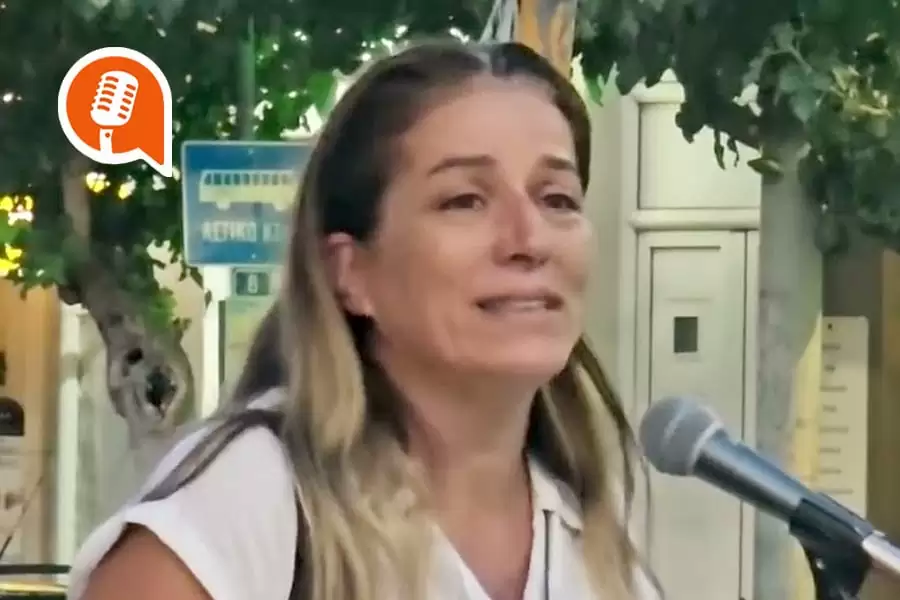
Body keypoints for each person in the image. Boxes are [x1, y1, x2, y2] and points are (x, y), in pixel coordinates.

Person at [68, 40, 659, 600]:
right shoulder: (252, 496)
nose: (529, 239)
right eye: (464, 201)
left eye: (557, 199)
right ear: (350, 272)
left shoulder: (596, 541)